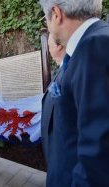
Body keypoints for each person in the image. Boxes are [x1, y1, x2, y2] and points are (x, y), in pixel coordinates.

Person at [39, 0, 109, 186]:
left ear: (56, 13)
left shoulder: (96, 45)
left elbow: (98, 159)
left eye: (44, 18)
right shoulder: (83, 50)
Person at [41, 33, 65, 163]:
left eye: (49, 47)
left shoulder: (69, 71)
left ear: (59, 46)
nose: (49, 52)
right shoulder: (62, 69)